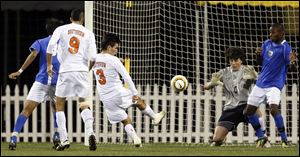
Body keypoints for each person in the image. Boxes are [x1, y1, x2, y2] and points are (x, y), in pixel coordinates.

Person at [92, 33, 166, 147]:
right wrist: (135, 93)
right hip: (118, 93)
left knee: (125, 119)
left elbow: (104, 65)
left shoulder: (95, 58)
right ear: (109, 47)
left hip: (105, 98)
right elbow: (126, 77)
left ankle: (136, 139)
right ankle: (154, 117)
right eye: (116, 48)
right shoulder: (114, 60)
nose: (117, 50)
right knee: (138, 101)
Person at [8, 18, 63, 150]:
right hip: (58, 81)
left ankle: (14, 138)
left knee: (26, 110)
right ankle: (56, 135)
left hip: (42, 80)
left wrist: (20, 71)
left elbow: (33, 55)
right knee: (57, 109)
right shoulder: (64, 44)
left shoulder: (41, 42)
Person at [46, 9, 97, 151]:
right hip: (81, 70)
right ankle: (90, 132)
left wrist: (49, 65)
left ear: (70, 18)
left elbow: (50, 46)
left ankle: (64, 140)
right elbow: (93, 57)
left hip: (66, 70)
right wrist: (86, 69)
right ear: (82, 18)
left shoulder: (61, 29)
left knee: (59, 105)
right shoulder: (89, 33)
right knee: (83, 103)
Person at [203, 47, 270, 147]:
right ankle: (221, 138)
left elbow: (261, 81)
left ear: (241, 60)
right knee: (216, 140)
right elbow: (206, 86)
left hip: (245, 105)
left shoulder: (248, 69)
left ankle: (263, 137)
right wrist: (212, 84)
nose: (233, 63)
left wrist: (255, 77)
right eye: (231, 60)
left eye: (236, 60)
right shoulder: (224, 72)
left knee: (253, 108)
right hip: (230, 109)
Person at [245, 23, 297, 148]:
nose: (271, 34)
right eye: (270, 32)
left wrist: (293, 62)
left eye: (273, 32)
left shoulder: (286, 48)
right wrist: (257, 55)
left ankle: (284, 140)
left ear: (281, 33)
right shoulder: (267, 43)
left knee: (273, 109)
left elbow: (292, 68)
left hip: (274, 84)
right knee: (248, 111)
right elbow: (260, 63)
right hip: (261, 83)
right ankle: (261, 137)